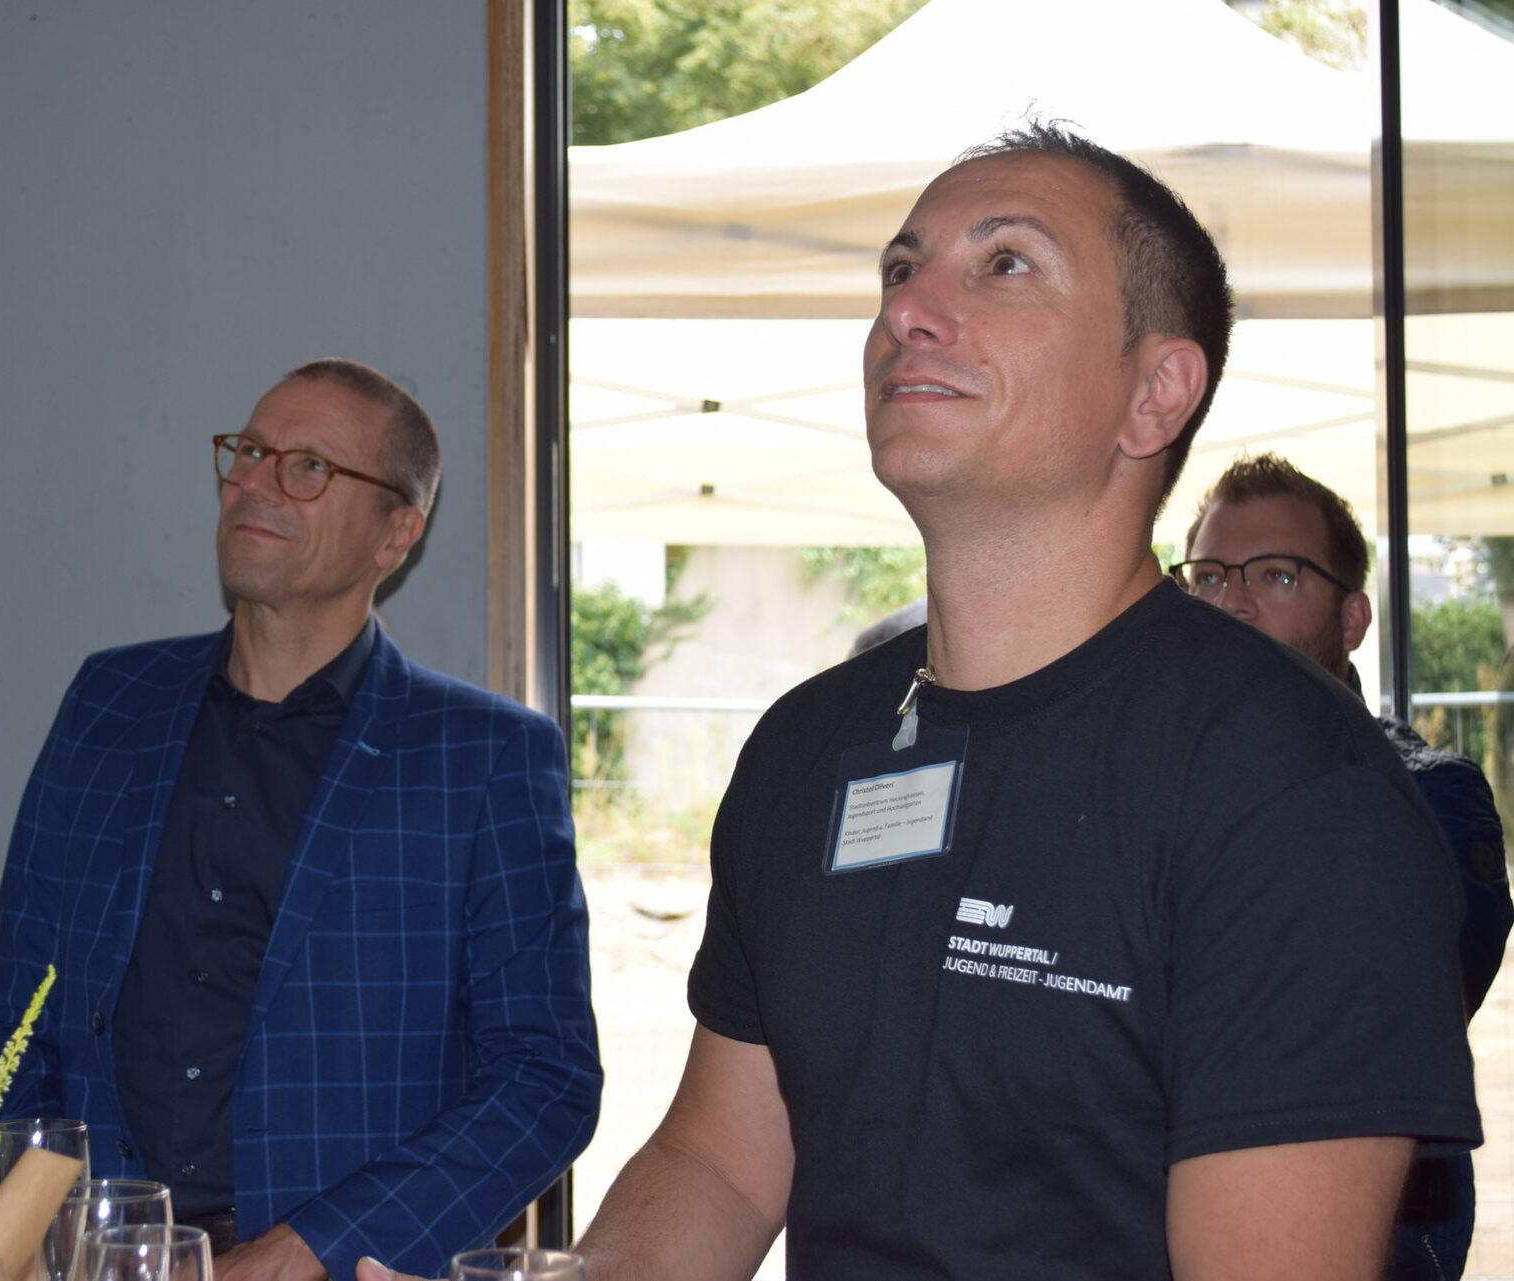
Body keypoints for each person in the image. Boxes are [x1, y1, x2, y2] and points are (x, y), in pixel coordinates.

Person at [363, 126, 1482, 1281]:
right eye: (900, 269)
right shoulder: (809, 747)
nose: (907, 309)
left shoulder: (1298, 789)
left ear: (1154, 395)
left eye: (1006, 264)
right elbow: (722, 1164)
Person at [0, 359, 601, 1281]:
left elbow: (545, 1078)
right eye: (250, 452)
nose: (255, 484)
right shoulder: (110, 703)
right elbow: (11, 1017)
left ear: (397, 532)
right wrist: (45, 1233)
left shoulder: (485, 756)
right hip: (101, 1257)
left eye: (309, 467)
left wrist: (310, 1249)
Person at [1180, 452, 1511, 1280]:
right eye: (1209, 576)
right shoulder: (1147, 785)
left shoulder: (1429, 795)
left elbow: (1362, 1019)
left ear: (1354, 617)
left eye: (1277, 575)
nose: (1233, 602)